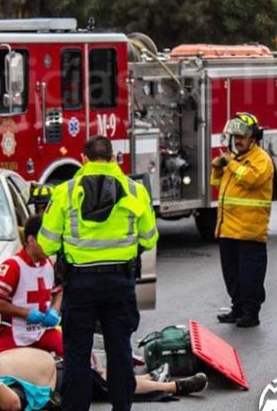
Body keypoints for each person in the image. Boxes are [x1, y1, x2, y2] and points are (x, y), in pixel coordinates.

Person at [37, 135, 159, 411]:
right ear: (114, 158)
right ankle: (121, 407)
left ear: (83, 159)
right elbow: (150, 238)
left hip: (80, 284)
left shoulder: (65, 192)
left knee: (78, 353)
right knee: (120, 351)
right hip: (120, 283)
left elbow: (46, 243)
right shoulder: (135, 191)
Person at [0, 347, 208, 411]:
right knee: (115, 383)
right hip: (57, 378)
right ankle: (175, 386)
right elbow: (14, 403)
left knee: (109, 378)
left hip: (57, 365)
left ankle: (150, 377)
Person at [211, 113, 275, 328]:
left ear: (253, 138)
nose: (237, 141)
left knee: (250, 277)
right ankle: (237, 308)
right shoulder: (235, 159)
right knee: (232, 275)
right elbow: (217, 183)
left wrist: (230, 164)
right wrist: (218, 166)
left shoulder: (261, 159)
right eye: (235, 136)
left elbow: (251, 180)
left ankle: (251, 313)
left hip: (249, 231)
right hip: (228, 229)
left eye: (242, 137)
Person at [0, 216, 63, 356]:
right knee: (3, 368)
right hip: (14, 332)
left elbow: (58, 291)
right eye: (45, 241)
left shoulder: (49, 264)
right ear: (31, 240)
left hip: (43, 331)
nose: (50, 246)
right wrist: (25, 313)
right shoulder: (13, 266)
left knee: (76, 353)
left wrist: (54, 310)